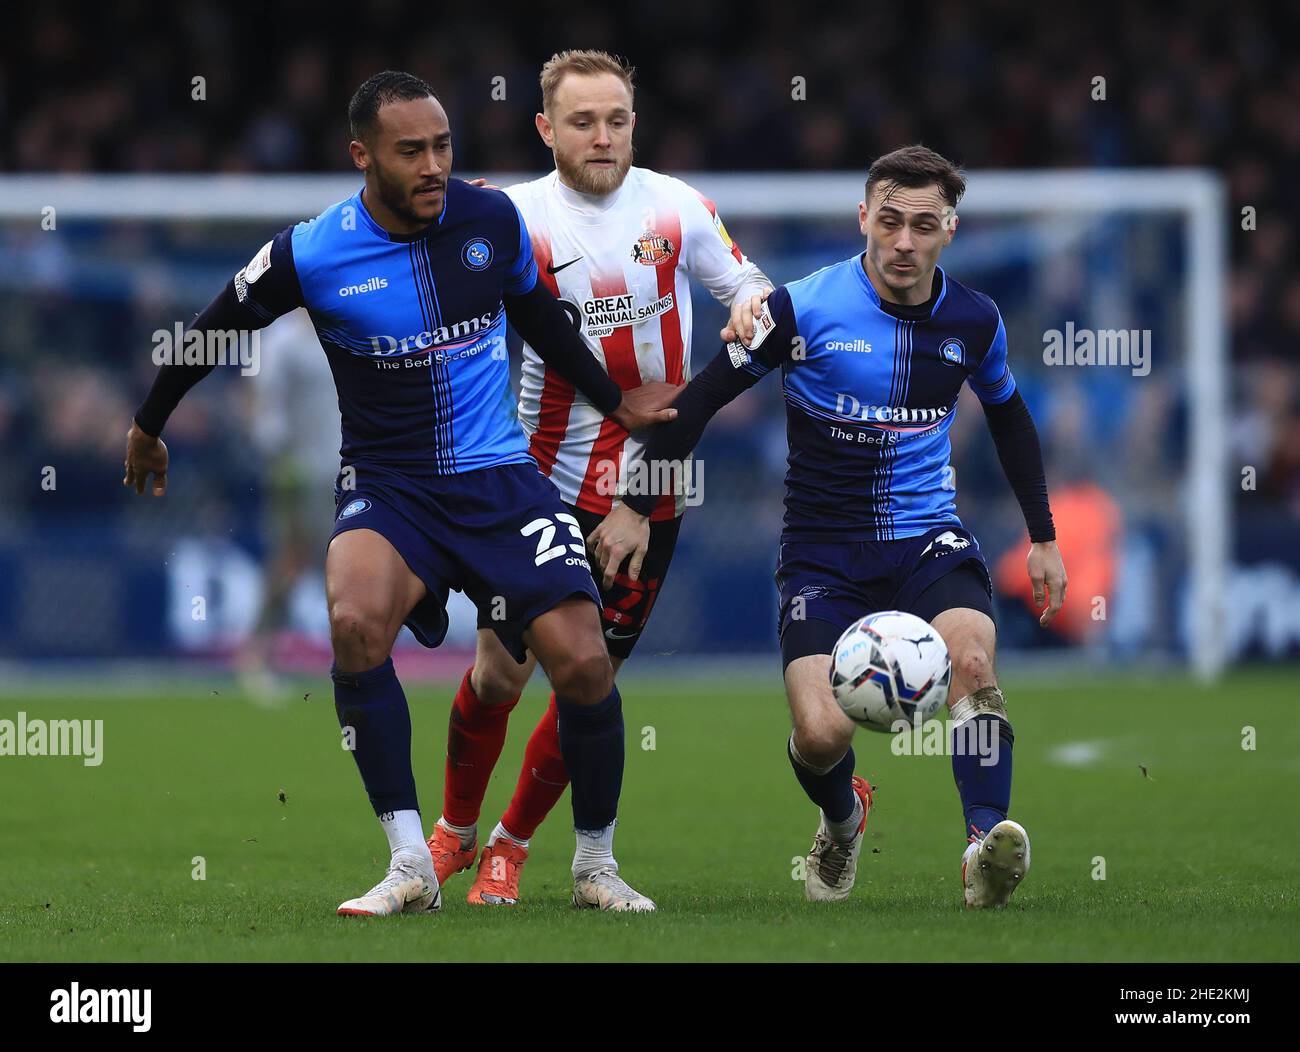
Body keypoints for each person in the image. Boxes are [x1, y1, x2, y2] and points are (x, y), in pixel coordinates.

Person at [122, 71, 677, 915]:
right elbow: (215, 328)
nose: (432, 166)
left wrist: (615, 400)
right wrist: (149, 422)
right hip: (389, 485)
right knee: (353, 622)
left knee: (586, 662)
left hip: (499, 480)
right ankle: (411, 860)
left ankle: (595, 865)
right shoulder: (312, 250)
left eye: (443, 146)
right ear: (362, 156)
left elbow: (540, 319)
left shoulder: (490, 219)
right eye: (410, 150)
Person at [590, 145, 1068, 909]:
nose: (904, 242)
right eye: (889, 221)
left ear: (950, 229)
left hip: (926, 539)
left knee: (974, 666)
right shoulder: (797, 310)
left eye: (923, 225)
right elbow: (701, 399)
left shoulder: (975, 322)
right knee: (821, 736)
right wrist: (632, 505)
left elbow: (1009, 417)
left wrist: (1041, 537)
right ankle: (843, 823)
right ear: (863, 220)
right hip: (823, 555)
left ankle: (984, 844)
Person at [426, 49, 771, 907]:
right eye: (582, 121)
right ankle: (453, 834)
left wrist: (749, 300)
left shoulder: (675, 206)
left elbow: (750, 285)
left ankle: (514, 847)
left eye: (617, 119)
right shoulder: (511, 218)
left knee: (591, 682)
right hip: (535, 487)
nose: (603, 135)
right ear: (546, 129)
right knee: (501, 678)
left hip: (653, 493)